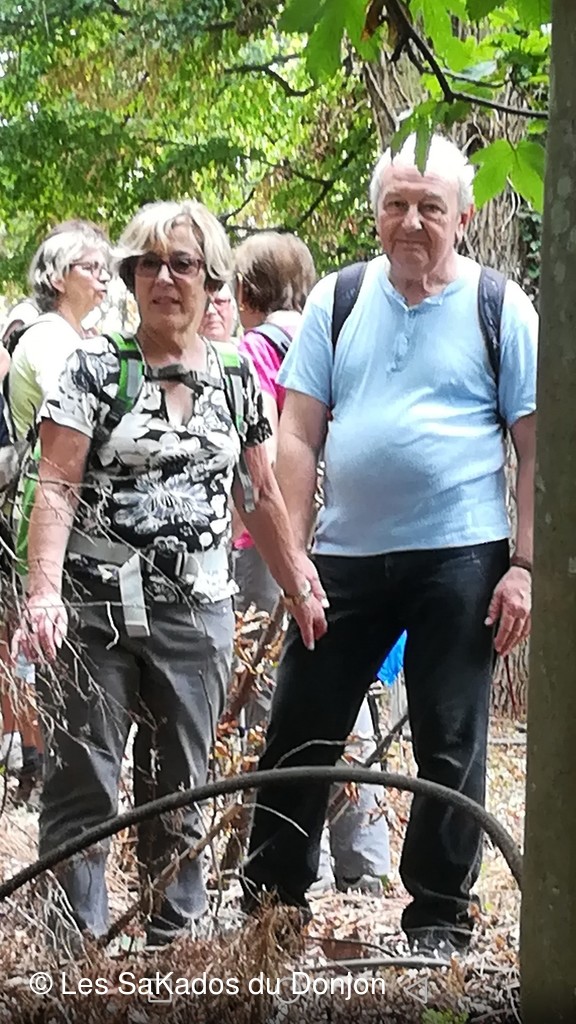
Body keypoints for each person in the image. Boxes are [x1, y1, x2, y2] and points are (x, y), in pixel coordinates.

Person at [243, 134, 537, 958]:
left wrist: (524, 566)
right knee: (301, 726)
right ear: (376, 213)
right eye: (396, 205)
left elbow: (538, 446)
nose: (411, 221)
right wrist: (295, 560)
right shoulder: (338, 299)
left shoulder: (501, 307)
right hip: (343, 558)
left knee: (450, 740)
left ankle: (438, 920)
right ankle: (271, 911)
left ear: (463, 217)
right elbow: (297, 433)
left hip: (462, 555)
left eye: (430, 207)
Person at [12, 199, 327, 948]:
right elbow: (56, 485)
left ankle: (175, 946)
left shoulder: (235, 376)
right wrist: (43, 592)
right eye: (147, 264)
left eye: (181, 264)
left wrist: (297, 581)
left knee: (181, 785)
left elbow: (259, 493)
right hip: (93, 613)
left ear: (212, 280)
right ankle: (71, 950)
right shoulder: (95, 368)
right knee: (83, 780)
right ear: (129, 277)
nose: (163, 279)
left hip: (197, 611)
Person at [233, 230, 391, 896]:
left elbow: (260, 461)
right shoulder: (339, 333)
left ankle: (303, 864)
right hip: (341, 536)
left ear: (246, 291)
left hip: (268, 546)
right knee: (344, 692)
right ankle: (366, 859)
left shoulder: (252, 353)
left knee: (280, 698)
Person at [0, 220, 112, 803]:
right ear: (57, 277)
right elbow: (71, 417)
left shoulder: (76, 336)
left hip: (73, 501)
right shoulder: (48, 339)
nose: (104, 279)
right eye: (91, 268)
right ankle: (42, 763)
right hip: (45, 500)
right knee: (44, 631)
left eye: (106, 269)